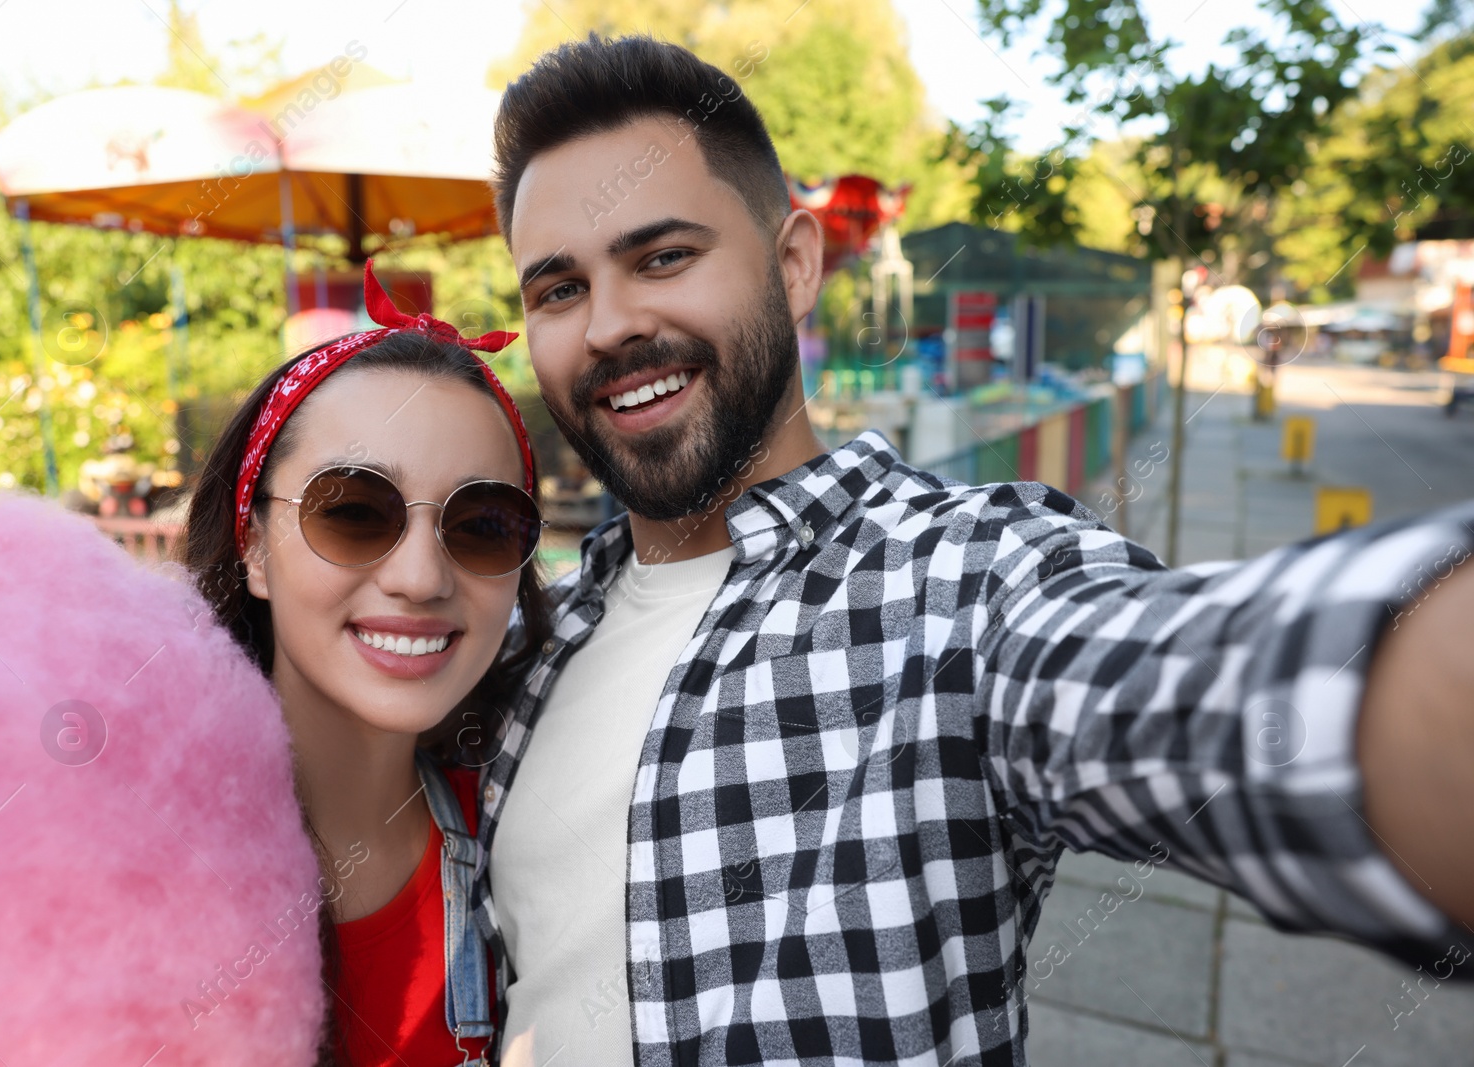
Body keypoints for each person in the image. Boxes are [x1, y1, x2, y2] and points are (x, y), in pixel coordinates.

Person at [476, 34, 1474, 1066]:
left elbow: (1197, 678)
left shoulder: (962, 583)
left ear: (793, 263)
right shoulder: (524, 640)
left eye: (663, 257)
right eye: (557, 289)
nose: (609, 324)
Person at [180, 262, 550, 1067]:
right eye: (352, 511)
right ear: (251, 545)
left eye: (484, 523)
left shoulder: (529, 846)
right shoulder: (131, 843)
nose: (421, 576)